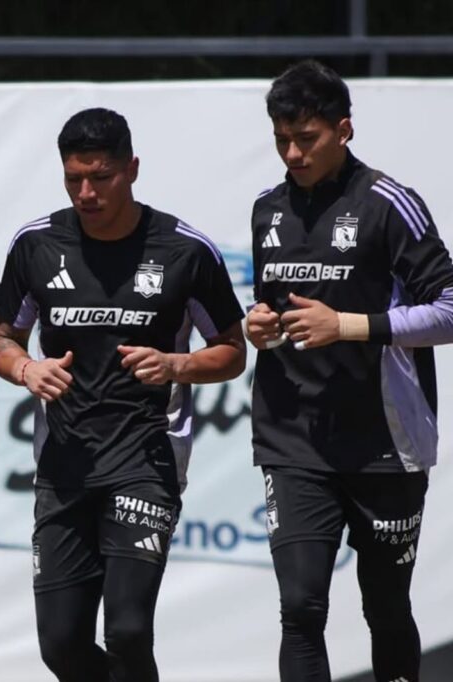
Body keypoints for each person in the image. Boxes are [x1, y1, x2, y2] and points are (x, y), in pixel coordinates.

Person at [0, 108, 246, 681]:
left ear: (131, 169)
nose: (86, 192)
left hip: (146, 459)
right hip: (63, 465)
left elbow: (232, 349)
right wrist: (26, 369)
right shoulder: (36, 244)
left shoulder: (184, 250)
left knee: (128, 630)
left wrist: (176, 363)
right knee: (59, 644)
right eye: (73, 178)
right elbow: (3, 338)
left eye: (100, 177)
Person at [246, 59, 453, 682]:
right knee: (300, 608)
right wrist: (261, 325)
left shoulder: (389, 203)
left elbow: (449, 309)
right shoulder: (267, 209)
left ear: (344, 130)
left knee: (385, 607)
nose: (293, 153)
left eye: (306, 138)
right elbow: (277, 307)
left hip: (383, 444)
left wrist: (350, 324)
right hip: (293, 440)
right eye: (281, 139)